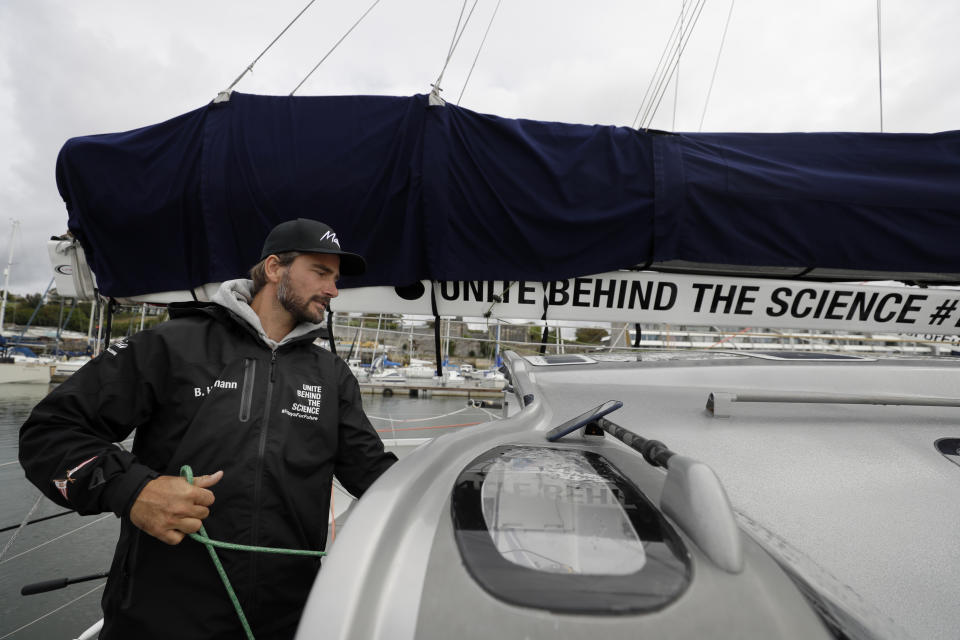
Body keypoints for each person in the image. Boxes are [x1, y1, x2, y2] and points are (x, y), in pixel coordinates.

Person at [19, 218, 398, 639]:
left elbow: (376, 474)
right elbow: (50, 432)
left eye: (336, 278)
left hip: (285, 619)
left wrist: (463, 502)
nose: (333, 290)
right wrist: (133, 490)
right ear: (275, 269)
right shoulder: (172, 345)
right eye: (321, 273)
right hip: (162, 616)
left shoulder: (332, 375)